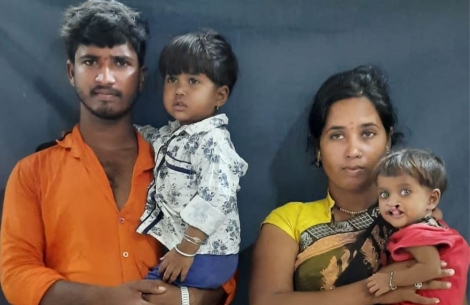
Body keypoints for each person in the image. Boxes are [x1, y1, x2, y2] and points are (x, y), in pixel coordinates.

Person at [0, 1, 235, 305]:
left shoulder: (182, 159)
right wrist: (105, 299)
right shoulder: (33, 173)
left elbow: (220, 260)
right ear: (71, 72)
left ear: (141, 77)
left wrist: (183, 300)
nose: (105, 78)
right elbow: (17, 274)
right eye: (91, 62)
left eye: (120, 63)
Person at [249, 65, 454, 305]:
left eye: (367, 133)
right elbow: (265, 302)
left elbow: (447, 289)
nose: (353, 151)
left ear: (387, 140)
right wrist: (375, 290)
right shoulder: (288, 221)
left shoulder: (416, 216)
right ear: (318, 148)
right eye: (337, 135)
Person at [134, 31, 248, 288]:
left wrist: (187, 249)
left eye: (193, 81)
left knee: (145, 295)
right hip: (190, 250)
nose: (179, 90)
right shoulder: (178, 135)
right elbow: (151, 136)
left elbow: (217, 196)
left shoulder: (213, 141)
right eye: (172, 79)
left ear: (220, 96)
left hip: (206, 253)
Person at [367, 149, 469, 304]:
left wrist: (389, 280)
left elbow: (431, 268)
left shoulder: (415, 234)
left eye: (405, 191)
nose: (391, 201)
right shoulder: (436, 226)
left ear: (432, 199)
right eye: (384, 194)